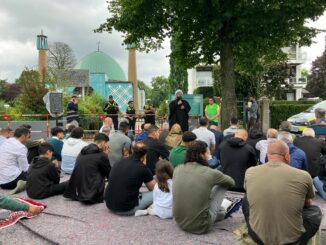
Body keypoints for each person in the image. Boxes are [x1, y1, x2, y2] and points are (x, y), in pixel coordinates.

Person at [243, 140, 322, 245]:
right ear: (287, 156)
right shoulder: (303, 175)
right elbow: (307, 204)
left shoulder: (250, 172)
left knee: (245, 199)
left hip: (258, 237)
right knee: (315, 210)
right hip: (292, 239)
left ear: (267, 155)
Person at [173, 141, 235, 234]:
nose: (208, 155)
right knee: (222, 184)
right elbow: (231, 182)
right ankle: (219, 212)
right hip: (201, 226)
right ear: (202, 155)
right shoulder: (210, 172)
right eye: (207, 153)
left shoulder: (177, 168)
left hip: (179, 221)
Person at [105, 142, 156, 215]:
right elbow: (154, 189)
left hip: (109, 204)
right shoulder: (142, 168)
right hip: (126, 208)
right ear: (145, 155)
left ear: (132, 150)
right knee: (157, 193)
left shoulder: (119, 161)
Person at [64, 133, 111, 204]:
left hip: (77, 191)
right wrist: (106, 156)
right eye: (106, 143)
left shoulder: (82, 152)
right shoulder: (101, 155)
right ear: (103, 142)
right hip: (91, 195)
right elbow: (109, 172)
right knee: (103, 171)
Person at [0, 127, 30, 192]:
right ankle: (23, 183)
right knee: (36, 173)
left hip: (1, 182)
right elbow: (24, 168)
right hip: (12, 181)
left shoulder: (6, 142)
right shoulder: (21, 147)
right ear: (23, 136)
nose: (28, 139)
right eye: (28, 137)